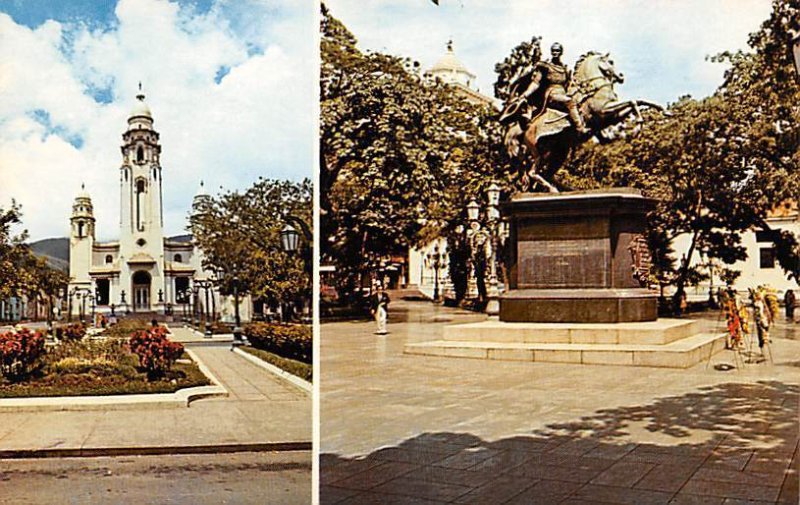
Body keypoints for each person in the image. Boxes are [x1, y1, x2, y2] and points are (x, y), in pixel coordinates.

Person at [500, 42, 589, 134]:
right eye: (553, 51)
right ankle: (579, 128)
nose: (555, 53)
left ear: (561, 52)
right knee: (570, 102)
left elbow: (569, 85)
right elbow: (535, 83)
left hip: (563, 93)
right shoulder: (545, 66)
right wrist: (525, 95)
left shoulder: (565, 69)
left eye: (557, 51)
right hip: (551, 94)